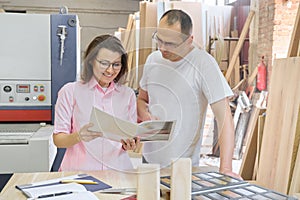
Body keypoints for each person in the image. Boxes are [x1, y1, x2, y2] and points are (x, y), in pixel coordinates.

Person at [137, 9, 240, 178]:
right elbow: (142, 99)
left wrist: (226, 168)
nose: (162, 48)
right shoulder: (153, 60)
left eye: (170, 44)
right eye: (159, 40)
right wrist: (145, 114)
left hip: (183, 167)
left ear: (189, 40)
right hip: (148, 162)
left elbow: (224, 117)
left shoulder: (203, 64)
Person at [53, 34, 139, 171]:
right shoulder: (70, 91)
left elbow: (129, 135)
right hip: (79, 173)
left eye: (116, 64)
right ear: (91, 61)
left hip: (118, 173)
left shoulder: (127, 95)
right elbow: (58, 140)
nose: (110, 70)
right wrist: (78, 136)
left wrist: (129, 144)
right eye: (104, 63)